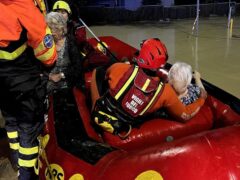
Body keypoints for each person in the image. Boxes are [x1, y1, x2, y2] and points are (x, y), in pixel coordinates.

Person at [90, 38, 207, 135]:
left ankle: (94, 108)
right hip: (125, 124)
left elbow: (105, 76)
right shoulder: (165, 91)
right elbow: (185, 115)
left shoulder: (119, 68)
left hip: (105, 112)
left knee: (98, 71)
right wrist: (201, 100)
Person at [0, 0, 57, 179]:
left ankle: (15, 158)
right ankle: (26, 174)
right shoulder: (23, 6)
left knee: (10, 118)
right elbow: (47, 55)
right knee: (28, 130)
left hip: (2, 83)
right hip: (23, 81)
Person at [52, 0, 112, 71]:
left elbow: (81, 41)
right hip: (63, 59)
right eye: (57, 13)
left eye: (63, 12)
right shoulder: (49, 29)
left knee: (106, 61)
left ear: (68, 15)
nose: (60, 15)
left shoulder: (76, 27)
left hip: (80, 56)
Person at [45, 11, 84, 93]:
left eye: (55, 28)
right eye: (49, 28)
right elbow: (38, 66)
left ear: (62, 28)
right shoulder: (46, 42)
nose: (52, 32)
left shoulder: (70, 42)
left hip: (67, 80)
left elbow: (78, 67)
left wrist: (61, 75)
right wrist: (49, 76)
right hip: (48, 79)